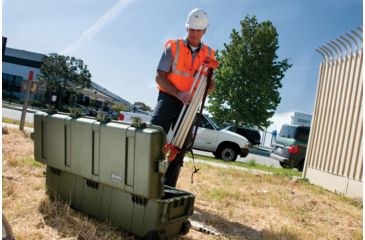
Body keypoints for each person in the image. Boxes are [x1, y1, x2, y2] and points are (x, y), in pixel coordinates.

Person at [151, 8, 216, 187]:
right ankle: (146, 181)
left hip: (189, 104)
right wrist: (177, 93)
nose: (194, 34)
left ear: (205, 31)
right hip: (168, 96)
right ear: (187, 28)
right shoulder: (174, 47)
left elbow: (209, 88)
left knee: (179, 147)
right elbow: (159, 76)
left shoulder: (210, 55)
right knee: (153, 135)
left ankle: (167, 187)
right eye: (192, 29)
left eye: (198, 30)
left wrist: (210, 84)